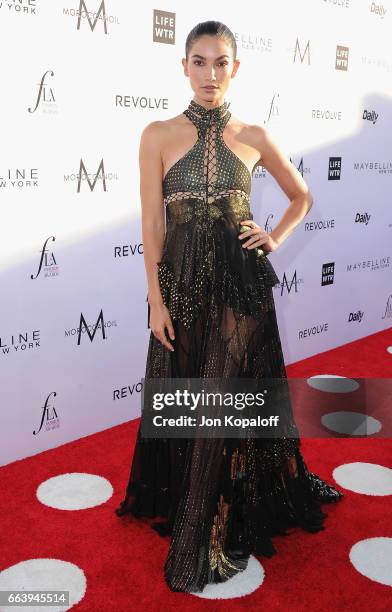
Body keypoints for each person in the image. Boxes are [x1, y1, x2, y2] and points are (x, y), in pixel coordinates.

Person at [115, 20, 344, 593]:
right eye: (199, 61)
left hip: (242, 289)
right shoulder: (157, 134)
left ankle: (205, 532)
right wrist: (154, 296)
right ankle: (193, 498)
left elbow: (302, 195)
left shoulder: (255, 134)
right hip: (183, 283)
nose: (210, 74)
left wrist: (273, 236)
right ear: (184, 67)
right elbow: (151, 223)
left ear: (235, 68)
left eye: (221, 62)